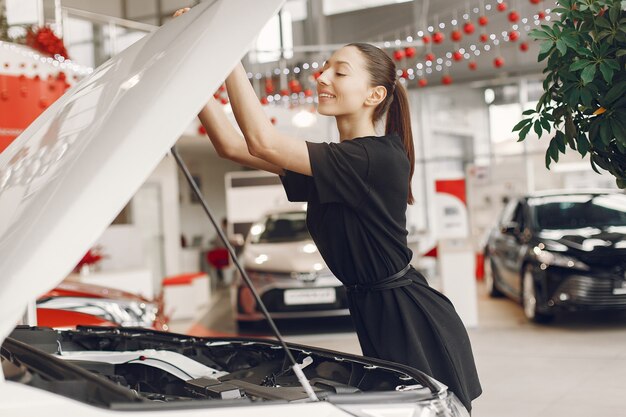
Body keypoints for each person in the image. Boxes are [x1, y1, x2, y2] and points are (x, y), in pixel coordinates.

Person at [173, 7, 482, 412]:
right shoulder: (339, 163)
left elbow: (261, 141)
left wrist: (224, 49)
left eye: (340, 72)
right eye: (324, 69)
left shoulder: (373, 158)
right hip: (377, 309)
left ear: (375, 95)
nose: (321, 78)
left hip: (409, 319)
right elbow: (233, 146)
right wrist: (196, 67)